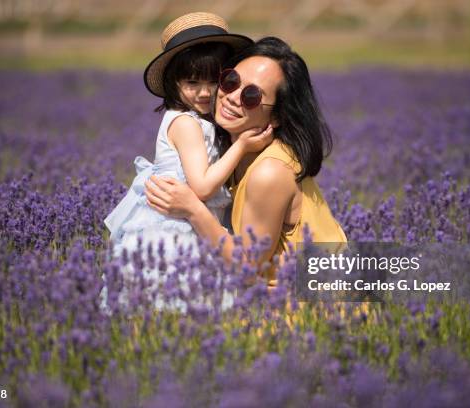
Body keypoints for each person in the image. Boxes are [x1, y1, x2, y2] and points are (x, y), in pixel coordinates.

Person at [100, 13, 271, 312]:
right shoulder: (186, 125)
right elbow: (202, 187)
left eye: (213, 81)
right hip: (174, 231)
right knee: (174, 301)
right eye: (192, 82)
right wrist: (242, 145)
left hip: (188, 224)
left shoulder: (199, 121)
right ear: (173, 82)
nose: (204, 92)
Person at [145, 37, 347, 287]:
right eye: (230, 81)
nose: (231, 97)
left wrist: (193, 210)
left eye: (251, 96)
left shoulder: (269, 171)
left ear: (277, 116)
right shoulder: (229, 154)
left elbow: (250, 267)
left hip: (310, 307)